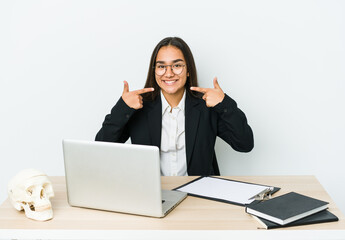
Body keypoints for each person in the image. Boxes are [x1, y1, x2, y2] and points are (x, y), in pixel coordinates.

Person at [95, 37, 253, 176]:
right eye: (161, 66)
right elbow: (101, 149)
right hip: (152, 195)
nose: (169, 73)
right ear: (154, 71)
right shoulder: (138, 107)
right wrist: (122, 108)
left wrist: (224, 103)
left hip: (199, 196)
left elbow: (244, 144)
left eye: (177, 65)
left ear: (188, 70)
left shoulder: (207, 106)